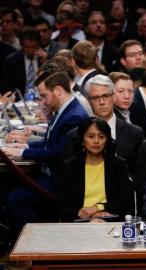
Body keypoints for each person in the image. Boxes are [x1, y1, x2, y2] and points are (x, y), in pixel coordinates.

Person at [3, 71, 89, 232]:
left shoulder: (74, 116)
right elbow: (50, 143)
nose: (43, 101)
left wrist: (22, 154)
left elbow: (57, 153)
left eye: (44, 96)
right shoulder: (65, 110)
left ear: (58, 91)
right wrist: (24, 147)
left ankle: (32, 242)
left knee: (15, 199)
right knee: (12, 185)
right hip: (51, 174)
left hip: (60, 180)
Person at [57, 118, 133, 221]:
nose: (96, 141)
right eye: (91, 136)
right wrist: (86, 214)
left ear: (107, 141)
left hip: (109, 220)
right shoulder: (69, 167)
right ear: (82, 140)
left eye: (101, 137)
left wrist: (98, 208)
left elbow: (125, 202)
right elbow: (61, 206)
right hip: (78, 221)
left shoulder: (118, 165)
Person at [2, 27, 41, 95]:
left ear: (39, 44)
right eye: (27, 47)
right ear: (21, 45)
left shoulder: (45, 60)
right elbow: (8, 87)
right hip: (20, 101)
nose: (30, 51)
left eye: (34, 47)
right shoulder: (11, 61)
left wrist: (46, 61)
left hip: (43, 100)